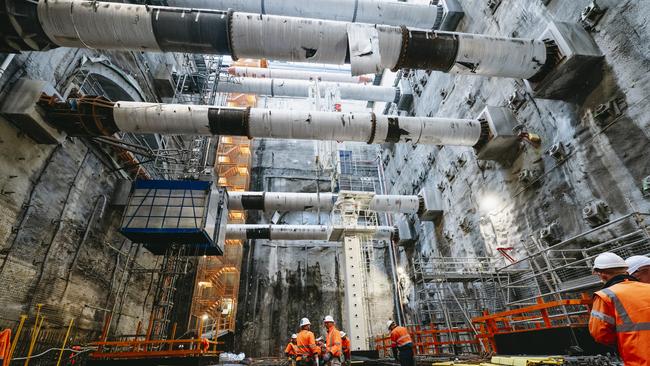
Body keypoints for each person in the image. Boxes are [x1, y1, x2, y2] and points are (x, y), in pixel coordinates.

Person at [588, 252, 650, 365]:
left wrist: (624, 339)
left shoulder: (605, 296)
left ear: (602, 275)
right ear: (626, 271)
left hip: (638, 358)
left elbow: (600, 334)